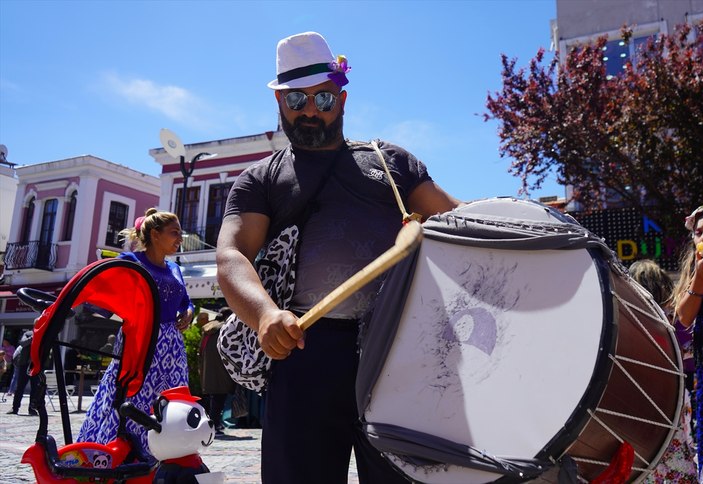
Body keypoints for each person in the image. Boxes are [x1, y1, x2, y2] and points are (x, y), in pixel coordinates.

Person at [216, 31, 461, 483]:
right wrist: (266, 315)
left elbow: (460, 225)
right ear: (279, 104)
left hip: (397, 349)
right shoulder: (259, 180)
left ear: (342, 100)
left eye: (323, 97)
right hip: (303, 350)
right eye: (296, 98)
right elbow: (232, 255)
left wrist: (521, 225)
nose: (311, 109)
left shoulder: (392, 162)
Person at [77, 207, 194, 453]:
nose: (180, 240)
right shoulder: (131, 262)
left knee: (170, 401)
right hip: (140, 339)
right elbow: (102, 294)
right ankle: (117, 451)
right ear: (154, 234)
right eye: (174, 233)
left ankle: (163, 455)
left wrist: (189, 312)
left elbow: (185, 301)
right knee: (132, 395)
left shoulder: (175, 269)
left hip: (171, 347)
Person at [628, 259, 698, 482]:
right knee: (679, 459)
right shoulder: (677, 318)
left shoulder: (630, 324)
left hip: (641, 408)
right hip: (675, 400)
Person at [670, 205, 703, 480]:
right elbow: (681, 326)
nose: (702, 237)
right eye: (699, 232)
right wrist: (699, 282)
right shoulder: (692, 279)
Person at [198, 307, 237, 435]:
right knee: (219, 398)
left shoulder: (208, 329)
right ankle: (214, 424)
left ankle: (212, 423)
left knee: (212, 398)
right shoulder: (224, 328)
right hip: (221, 369)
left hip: (207, 369)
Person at [6, 330, 39, 415]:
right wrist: (34, 336)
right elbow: (23, 343)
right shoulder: (28, 334)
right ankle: (15, 408)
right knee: (20, 387)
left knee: (35, 388)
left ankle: (32, 409)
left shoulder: (44, 336)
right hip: (25, 364)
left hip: (36, 365)